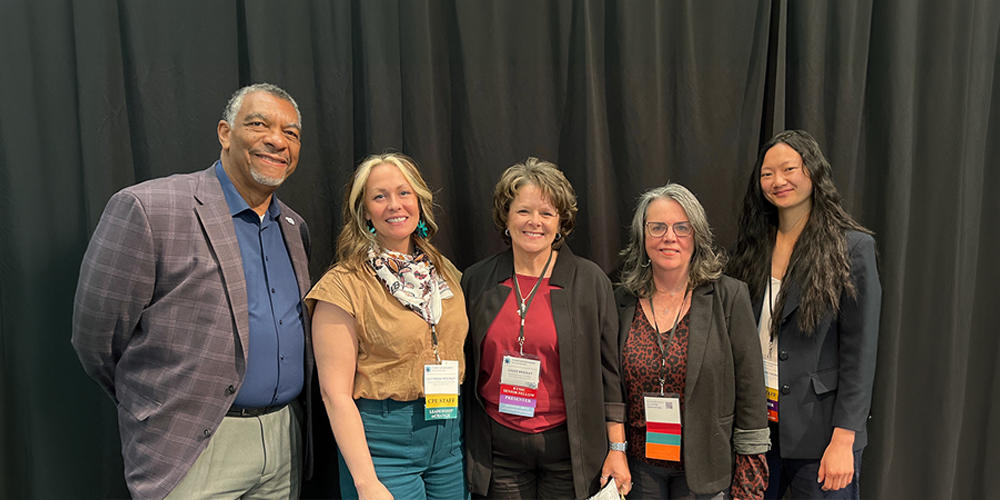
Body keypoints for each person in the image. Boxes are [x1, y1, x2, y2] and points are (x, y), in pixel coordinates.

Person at [72, 83, 313, 500]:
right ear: (225, 133)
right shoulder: (150, 208)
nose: (277, 140)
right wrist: (151, 402)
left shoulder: (294, 227)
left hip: (283, 441)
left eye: (290, 133)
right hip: (191, 445)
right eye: (259, 125)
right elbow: (96, 339)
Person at [462, 157, 630, 499]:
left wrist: (617, 447)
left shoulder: (589, 281)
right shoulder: (476, 281)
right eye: (523, 211)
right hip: (499, 449)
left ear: (560, 222)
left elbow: (609, 374)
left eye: (546, 213)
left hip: (569, 450)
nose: (534, 222)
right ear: (506, 217)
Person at [728, 130, 881, 499]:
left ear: (812, 171)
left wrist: (844, 439)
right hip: (758, 429)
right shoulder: (752, 247)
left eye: (789, 169)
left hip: (822, 433)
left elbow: (860, 353)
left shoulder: (852, 248)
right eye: (767, 174)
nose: (777, 181)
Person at [307, 153, 468, 500]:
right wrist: (366, 482)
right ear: (365, 211)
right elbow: (334, 394)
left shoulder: (445, 272)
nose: (395, 205)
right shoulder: (342, 285)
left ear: (419, 201)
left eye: (404, 193)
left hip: (449, 438)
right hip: (383, 447)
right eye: (380, 196)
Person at [615, 183, 769, 499]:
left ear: (696, 235)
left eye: (681, 227)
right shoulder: (620, 301)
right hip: (638, 467)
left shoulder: (728, 297)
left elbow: (751, 388)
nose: (669, 237)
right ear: (642, 236)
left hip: (706, 466)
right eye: (657, 227)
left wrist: (751, 465)